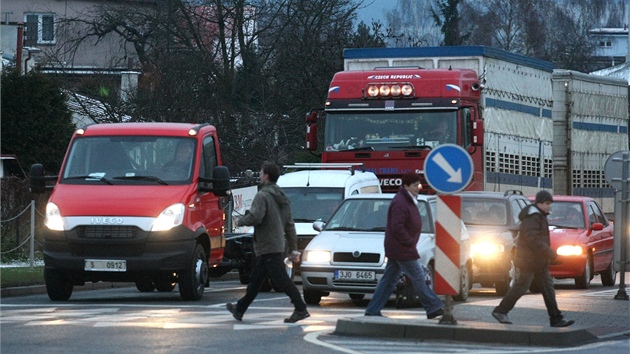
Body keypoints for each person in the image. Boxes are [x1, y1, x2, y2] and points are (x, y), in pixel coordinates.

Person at [226, 161, 309, 323]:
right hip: (277, 244)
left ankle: (300, 308)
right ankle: (240, 309)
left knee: (281, 279)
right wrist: (293, 248)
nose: (259, 175)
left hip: (267, 245)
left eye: (261, 173)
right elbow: (289, 224)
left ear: (266, 176)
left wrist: (241, 221)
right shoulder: (282, 197)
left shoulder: (262, 196)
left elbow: (256, 217)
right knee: (256, 280)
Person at [364, 173, 445, 319]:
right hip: (402, 248)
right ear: (406, 186)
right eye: (415, 185)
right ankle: (433, 306)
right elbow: (397, 227)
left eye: (418, 185)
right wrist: (409, 241)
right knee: (418, 276)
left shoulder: (407, 200)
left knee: (389, 280)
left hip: (399, 247)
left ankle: (373, 309)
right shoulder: (401, 202)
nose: (418, 188)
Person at [492, 190, 575, 327]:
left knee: (547, 289)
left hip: (537, 261)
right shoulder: (533, 217)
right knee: (521, 287)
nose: (549, 206)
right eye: (547, 203)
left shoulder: (539, 215)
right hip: (529, 260)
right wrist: (550, 253)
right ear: (540, 203)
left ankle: (556, 318)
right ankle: (501, 311)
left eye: (550, 203)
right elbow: (533, 238)